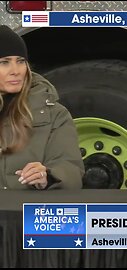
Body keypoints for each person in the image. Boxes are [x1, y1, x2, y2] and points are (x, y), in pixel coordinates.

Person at [0, 25, 84, 190]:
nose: (15, 71)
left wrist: (49, 176)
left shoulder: (54, 114)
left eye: (21, 61)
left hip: (27, 213)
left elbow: (71, 170)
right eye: (4, 63)